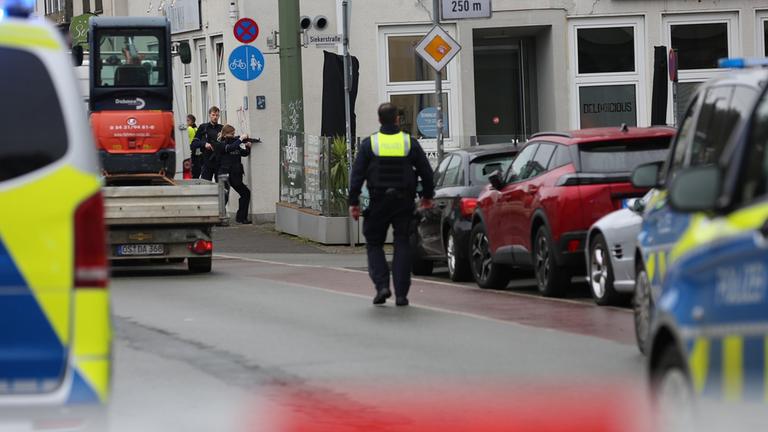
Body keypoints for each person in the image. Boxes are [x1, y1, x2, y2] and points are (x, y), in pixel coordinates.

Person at [349, 103, 435, 306]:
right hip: (404, 201)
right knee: (403, 243)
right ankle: (402, 295)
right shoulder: (408, 142)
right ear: (397, 119)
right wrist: (427, 196)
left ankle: (382, 286)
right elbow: (426, 171)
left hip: (378, 201)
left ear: (380, 120)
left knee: (374, 243)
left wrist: (354, 202)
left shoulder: (370, 144)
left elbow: (357, 175)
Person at [218, 124, 253, 224]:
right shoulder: (221, 143)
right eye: (231, 134)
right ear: (225, 134)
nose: (233, 136)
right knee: (224, 197)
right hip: (225, 174)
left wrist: (248, 147)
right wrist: (240, 139)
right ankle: (218, 218)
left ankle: (241, 217)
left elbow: (243, 153)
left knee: (245, 193)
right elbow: (230, 148)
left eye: (234, 134)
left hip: (235, 174)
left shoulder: (234, 143)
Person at [191, 106, 224, 181]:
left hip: (219, 161)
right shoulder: (203, 127)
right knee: (206, 184)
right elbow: (194, 143)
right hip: (206, 161)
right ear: (209, 115)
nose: (215, 117)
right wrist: (204, 144)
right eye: (213, 115)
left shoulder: (222, 128)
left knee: (222, 186)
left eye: (217, 115)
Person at [186, 114, 201, 178]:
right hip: (196, 150)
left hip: (190, 149)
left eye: (188, 120)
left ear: (192, 122)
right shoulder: (196, 129)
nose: (186, 122)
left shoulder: (189, 129)